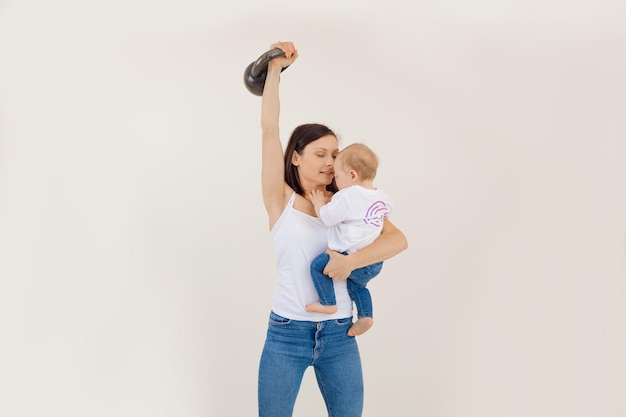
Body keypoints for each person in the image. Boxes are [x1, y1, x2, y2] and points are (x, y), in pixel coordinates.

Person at [257, 41, 408, 417]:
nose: (329, 162)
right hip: (286, 333)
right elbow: (268, 130)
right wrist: (275, 69)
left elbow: (397, 240)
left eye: (335, 155)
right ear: (296, 156)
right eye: (320, 154)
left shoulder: (349, 201)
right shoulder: (281, 199)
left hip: (340, 333)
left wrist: (350, 261)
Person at [305, 143, 393, 337]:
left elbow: (328, 218)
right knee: (357, 286)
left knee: (317, 266)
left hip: (349, 255)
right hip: (373, 261)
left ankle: (328, 303)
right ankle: (365, 316)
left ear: (352, 175)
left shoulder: (348, 196)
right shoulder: (381, 197)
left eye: (336, 175)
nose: (335, 180)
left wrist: (319, 203)